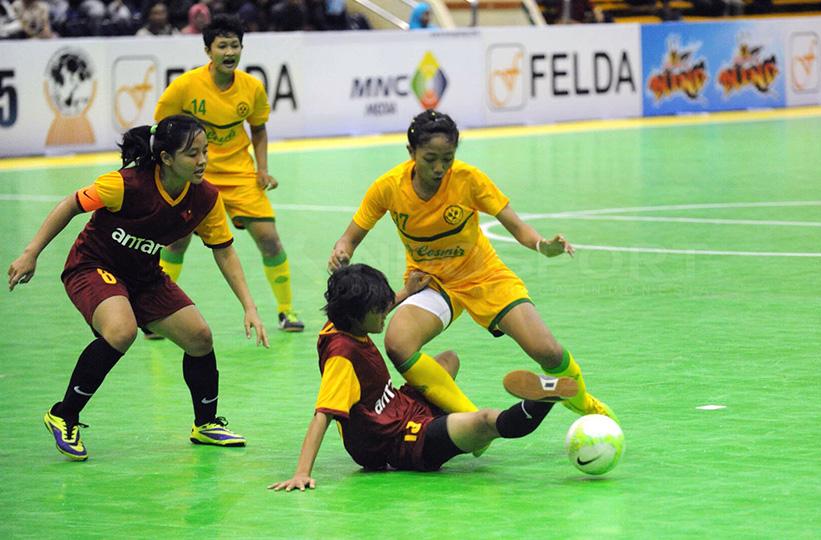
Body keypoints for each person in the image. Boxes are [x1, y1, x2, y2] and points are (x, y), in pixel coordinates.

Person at [7, 114, 269, 462]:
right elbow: (71, 204)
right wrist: (31, 253)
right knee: (121, 329)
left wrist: (249, 306)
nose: (203, 160)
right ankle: (64, 414)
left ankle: (205, 424)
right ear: (166, 159)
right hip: (93, 266)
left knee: (200, 337)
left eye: (206, 151)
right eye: (193, 154)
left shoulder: (205, 198)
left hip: (144, 276)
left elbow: (224, 251)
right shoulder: (126, 185)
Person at [328, 110, 616, 424]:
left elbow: (518, 227)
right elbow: (349, 238)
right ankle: (472, 420)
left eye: (447, 158)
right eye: (430, 158)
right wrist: (341, 252)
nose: (439, 168)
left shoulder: (469, 180)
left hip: (484, 275)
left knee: (547, 351)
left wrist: (543, 246)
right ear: (411, 153)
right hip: (432, 282)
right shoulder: (388, 187)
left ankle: (584, 403)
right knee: (398, 343)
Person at [269, 264, 576, 488]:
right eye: (378, 309)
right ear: (354, 316)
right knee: (483, 422)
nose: (385, 313)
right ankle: (544, 398)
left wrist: (406, 292)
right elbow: (322, 415)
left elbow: (371, 307)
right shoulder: (342, 358)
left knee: (447, 360)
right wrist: (301, 472)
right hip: (398, 442)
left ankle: (482, 416)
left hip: (401, 406)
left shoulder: (341, 323)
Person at [154, 14, 304, 334]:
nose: (229, 52)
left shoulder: (252, 88)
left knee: (270, 241)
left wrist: (262, 170)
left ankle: (286, 311)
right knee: (177, 242)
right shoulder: (184, 87)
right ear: (209, 50)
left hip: (241, 175)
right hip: (197, 176)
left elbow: (259, 130)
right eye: (222, 46)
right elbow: (161, 129)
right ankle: (156, 312)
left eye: (235, 45)